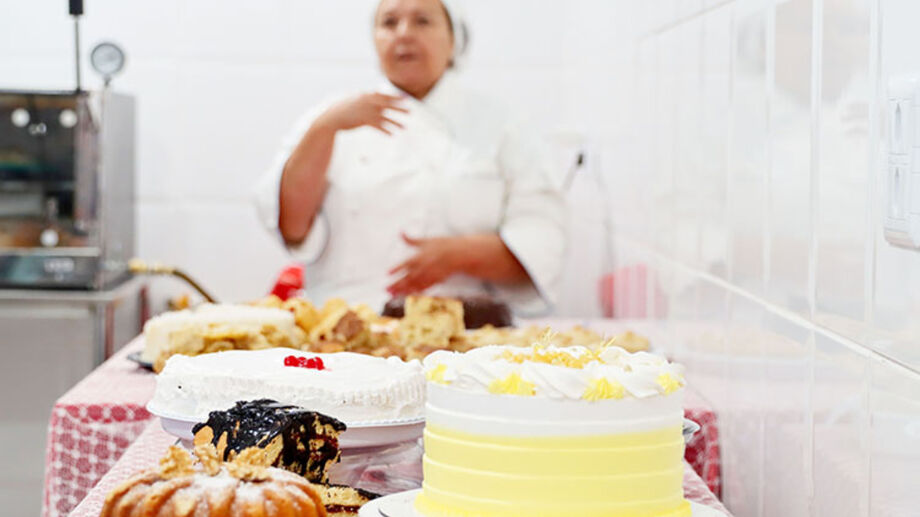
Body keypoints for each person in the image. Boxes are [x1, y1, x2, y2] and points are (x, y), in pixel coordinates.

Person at [254, 0, 566, 314]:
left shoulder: (501, 125)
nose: (404, 33)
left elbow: (541, 241)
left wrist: (462, 254)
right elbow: (291, 227)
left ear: (454, 40)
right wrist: (323, 130)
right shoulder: (330, 118)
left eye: (422, 21)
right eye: (389, 22)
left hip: (469, 325)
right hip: (346, 323)